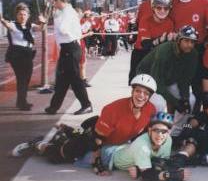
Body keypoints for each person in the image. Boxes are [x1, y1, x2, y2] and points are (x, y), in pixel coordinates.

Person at [12, 74, 158, 175]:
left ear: (150, 96)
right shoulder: (113, 109)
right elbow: (98, 139)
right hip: (95, 137)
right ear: (132, 91)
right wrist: (97, 163)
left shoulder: (151, 110)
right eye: (138, 91)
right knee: (60, 156)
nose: (141, 96)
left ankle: (67, 131)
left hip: (113, 141)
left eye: (146, 93)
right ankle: (36, 145)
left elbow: (145, 132)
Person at [45, 0, 93, 115]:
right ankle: (53, 107)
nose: (53, 5)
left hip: (70, 48)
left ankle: (86, 105)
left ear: (59, 0)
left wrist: (57, 18)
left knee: (75, 79)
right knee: (62, 79)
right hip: (68, 49)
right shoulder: (65, 12)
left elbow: (63, 29)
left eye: (54, 2)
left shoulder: (66, 12)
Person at [170, 0, 208, 108]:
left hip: (197, 50)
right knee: (175, 90)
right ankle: (175, 123)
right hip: (177, 51)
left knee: (198, 89)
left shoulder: (204, 2)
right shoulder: (171, 2)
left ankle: (196, 120)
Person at [136, 25, 199, 115]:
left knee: (191, 100)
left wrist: (184, 99)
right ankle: (153, 127)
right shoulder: (164, 51)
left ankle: (177, 128)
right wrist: (176, 102)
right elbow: (157, 82)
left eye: (192, 42)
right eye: (186, 41)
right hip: (149, 78)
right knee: (158, 103)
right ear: (178, 40)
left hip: (168, 80)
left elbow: (185, 80)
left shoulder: (193, 54)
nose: (189, 45)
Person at [111, 112, 190, 181]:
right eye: (156, 130)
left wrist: (176, 169)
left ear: (168, 132)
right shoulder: (142, 146)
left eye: (163, 131)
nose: (159, 135)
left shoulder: (168, 139)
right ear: (149, 130)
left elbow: (162, 163)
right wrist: (175, 175)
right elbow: (146, 175)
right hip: (111, 155)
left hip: (126, 147)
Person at [0, 3, 46, 110]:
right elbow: (6, 24)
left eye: (24, 14)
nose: (22, 16)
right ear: (16, 15)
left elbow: (41, 28)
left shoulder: (31, 25)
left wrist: (43, 21)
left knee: (26, 79)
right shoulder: (13, 24)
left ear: (28, 15)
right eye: (20, 14)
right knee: (22, 78)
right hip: (16, 54)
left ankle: (22, 101)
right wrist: (1, 19)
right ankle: (21, 103)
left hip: (28, 54)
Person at [129, 0, 175, 84]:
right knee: (138, 83)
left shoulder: (170, 23)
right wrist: (160, 40)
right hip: (141, 54)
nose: (162, 11)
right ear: (153, 8)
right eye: (159, 8)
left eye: (166, 8)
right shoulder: (145, 19)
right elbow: (145, 44)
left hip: (157, 55)